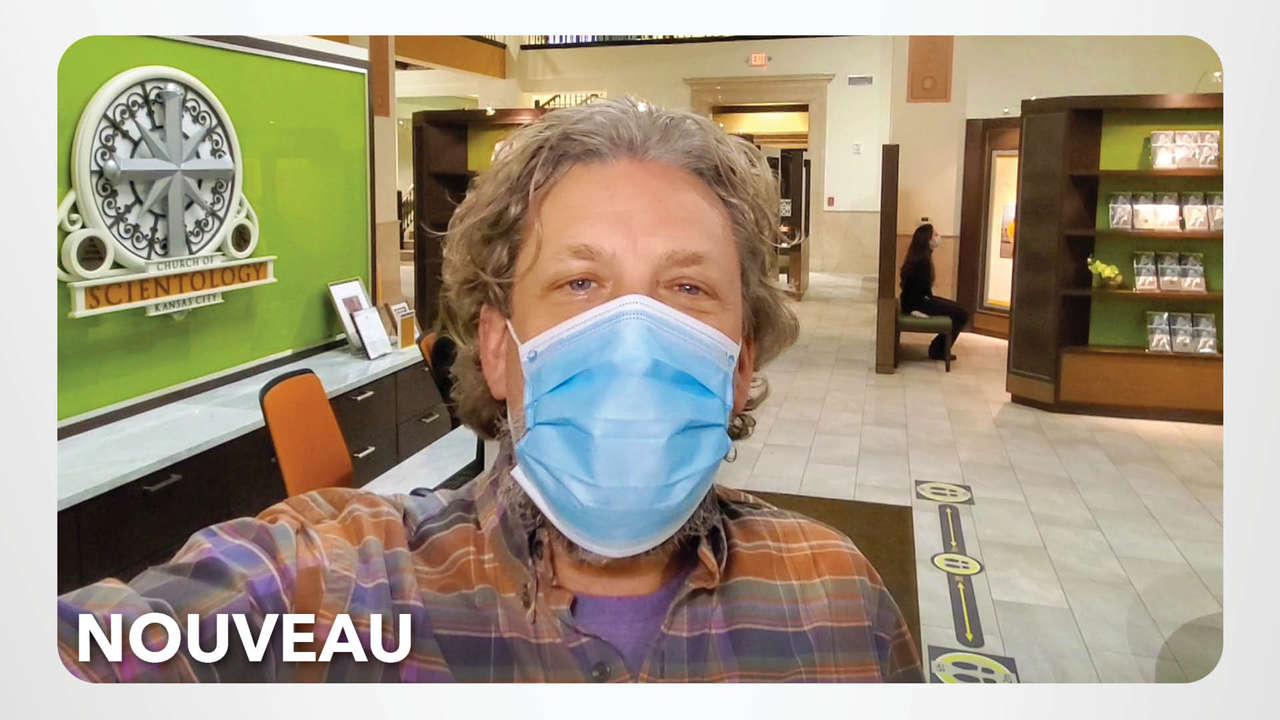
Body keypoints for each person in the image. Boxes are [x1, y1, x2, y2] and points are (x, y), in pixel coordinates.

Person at [57, 98, 923, 683]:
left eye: (687, 287)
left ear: (739, 364)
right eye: (580, 284)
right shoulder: (340, 585)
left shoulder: (838, 602)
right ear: (501, 349)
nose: (633, 336)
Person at [899, 223, 969, 361]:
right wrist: (915, 309)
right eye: (935, 235)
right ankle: (938, 350)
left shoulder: (920, 258)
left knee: (959, 309)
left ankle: (938, 348)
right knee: (962, 314)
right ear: (927, 240)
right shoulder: (921, 261)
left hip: (919, 301)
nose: (938, 237)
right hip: (918, 303)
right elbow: (917, 292)